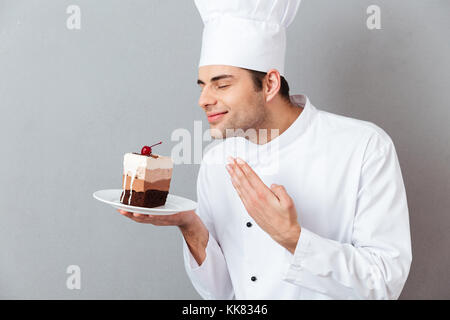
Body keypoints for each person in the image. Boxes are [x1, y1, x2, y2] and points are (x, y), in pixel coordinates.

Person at [118, 0, 412, 299]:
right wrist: (189, 224)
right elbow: (221, 295)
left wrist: (292, 238)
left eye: (221, 85)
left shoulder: (364, 147)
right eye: (202, 85)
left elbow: (384, 282)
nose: (203, 99)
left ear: (270, 84)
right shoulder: (216, 160)